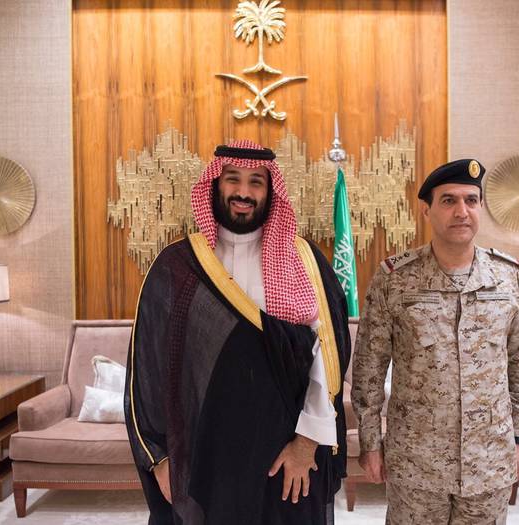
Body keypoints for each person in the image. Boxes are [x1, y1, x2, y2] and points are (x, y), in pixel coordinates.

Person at [124, 140, 350, 525]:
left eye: (256, 182)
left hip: (286, 456)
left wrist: (307, 442)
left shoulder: (304, 261)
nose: (244, 192)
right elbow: (147, 369)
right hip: (205, 456)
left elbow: (326, 359)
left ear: (270, 190)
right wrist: (161, 460)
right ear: (215, 185)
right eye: (233, 179)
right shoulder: (177, 266)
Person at [351, 159, 519, 524]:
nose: (461, 211)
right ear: (426, 210)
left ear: (480, 207)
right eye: (448, 201)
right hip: (416, 461)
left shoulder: (508, 278)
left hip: (489, 457)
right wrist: (371, 443)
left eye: (471, 200)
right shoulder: (395, 279)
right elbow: (369, 366)